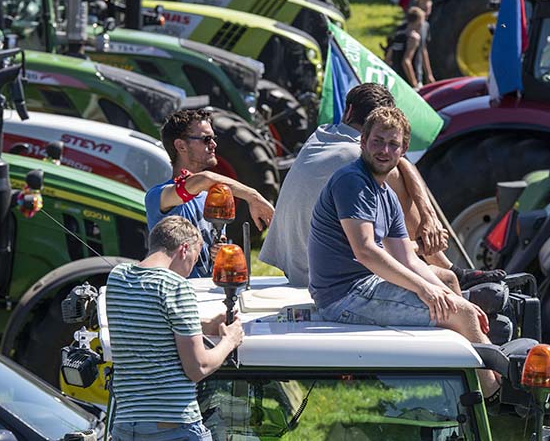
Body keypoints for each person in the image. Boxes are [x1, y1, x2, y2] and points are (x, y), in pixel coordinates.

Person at [307, 106, 499, 395]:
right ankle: (492, 396)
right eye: (377, 141)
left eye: (393, 144)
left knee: (448, 283)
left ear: (403, 149)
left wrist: (442, 294)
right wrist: (426, 291)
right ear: (362, 142)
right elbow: (366, 251)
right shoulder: (352, 181)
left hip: (365, 285)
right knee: (463, 316)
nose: (384, 150)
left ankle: (460, 383)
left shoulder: (386, 193)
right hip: (343, 297)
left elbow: (406, 257)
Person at [105, 216, 244, 441]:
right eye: (194, 258)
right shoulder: (175, 287)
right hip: (174, 430)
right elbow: (197, 367)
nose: (189, 270)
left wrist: (203, 326)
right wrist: (228, 340)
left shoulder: (117, 278)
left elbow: (149, 319)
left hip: (126, 430)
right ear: (183, 248)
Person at [260, 83, 499, 290]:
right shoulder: (358, 157)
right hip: (326, 278)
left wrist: (429, 216)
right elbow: (399, 168)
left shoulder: (322, 135)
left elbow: (402, 164)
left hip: (293, 268)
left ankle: (443, 265)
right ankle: (447, 267)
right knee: (446, 282)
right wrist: (427, 222)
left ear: (349, 110)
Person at [147, 109, 275, 277]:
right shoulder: (158, 197)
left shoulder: (213, 198)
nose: (213, 144)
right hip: (175, 294)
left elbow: (215, 254)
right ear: (181, 146)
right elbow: (203, 179)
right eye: (206, 139)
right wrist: (253, 197)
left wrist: (219, 253)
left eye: (213, 138)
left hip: (208, 294)